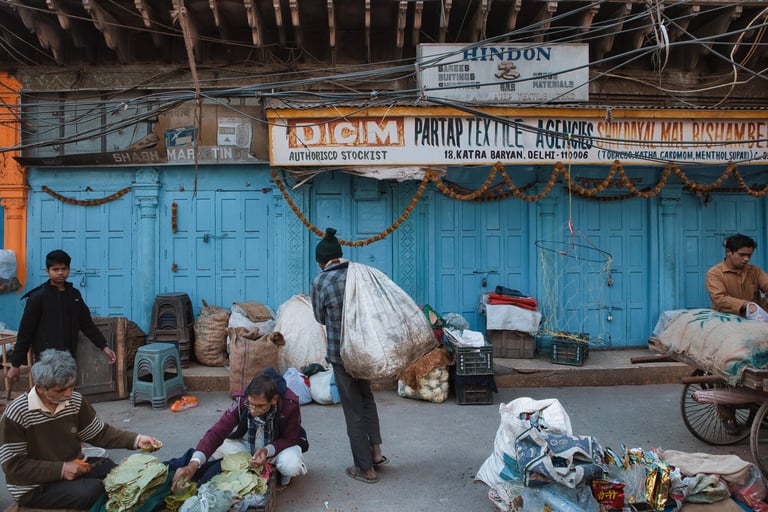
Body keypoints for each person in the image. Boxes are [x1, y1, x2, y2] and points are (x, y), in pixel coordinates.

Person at [0, 349, 162, 509]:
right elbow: (15, 467)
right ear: (41, 388)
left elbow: (100, 433)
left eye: (71, 387)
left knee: (115, 472)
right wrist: (61, 469)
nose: (68, 394)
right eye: (61, 390)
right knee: (94, 490)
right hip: (34, 487)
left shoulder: (74, 401)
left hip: (72, 465)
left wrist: (136, 439)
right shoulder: (16, 413)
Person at [310, 227, 388, 485]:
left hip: (340, 354)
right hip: (364, 350)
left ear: (322, 262)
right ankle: (376, 452)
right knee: (367, 399)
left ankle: (365, 468)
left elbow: (320, 317)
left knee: (353, 409)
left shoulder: (321, 281)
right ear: (340, 256)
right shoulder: (358, 275)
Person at [170, 370, 308, 493]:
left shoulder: (289, 404)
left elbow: (290, 438)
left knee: (290, 464)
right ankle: (260, 463)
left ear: (274, 400)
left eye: (260, 406)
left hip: (277, 445)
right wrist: (194, 464)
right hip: (250, 443)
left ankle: (278, 470)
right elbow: (217, 431)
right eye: (251, 405)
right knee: (213, 450)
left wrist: (267, 450)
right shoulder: (243, 401)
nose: (253, 410)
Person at [7, 249, 117, 383]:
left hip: (69, 358)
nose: (60, 273)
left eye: (64, 269)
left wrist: (104, 347)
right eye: (55, 269)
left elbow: (87, 324)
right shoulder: (38, 297)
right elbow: (26, 332)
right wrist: (15, 364)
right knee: (47, 396)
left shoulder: (74, 296)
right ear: (47, 271)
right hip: (46, 361)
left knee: (67, 395)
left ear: (69, 269)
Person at [705, 233, 768, 317]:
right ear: (728, 252)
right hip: (726, 319)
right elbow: (719, 298)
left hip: (755, 318)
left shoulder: (755, 271)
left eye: (749, 255)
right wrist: (746, 305)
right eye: (741, 255)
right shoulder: (714, 273)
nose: (746, 259)